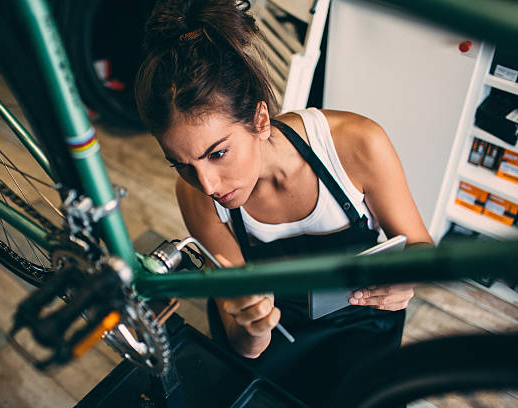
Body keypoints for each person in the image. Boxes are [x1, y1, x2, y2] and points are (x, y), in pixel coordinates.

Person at [135, 0, 433, 405]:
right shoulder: (196, 196)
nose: (206, 183)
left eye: (218, 153)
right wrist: (254, 329)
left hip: (361, 320)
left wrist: (407, 278)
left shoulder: (356, 145)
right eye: (182, 164)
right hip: (277, 334)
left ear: (260, 119)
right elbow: (245, 345)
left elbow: (419, 246)